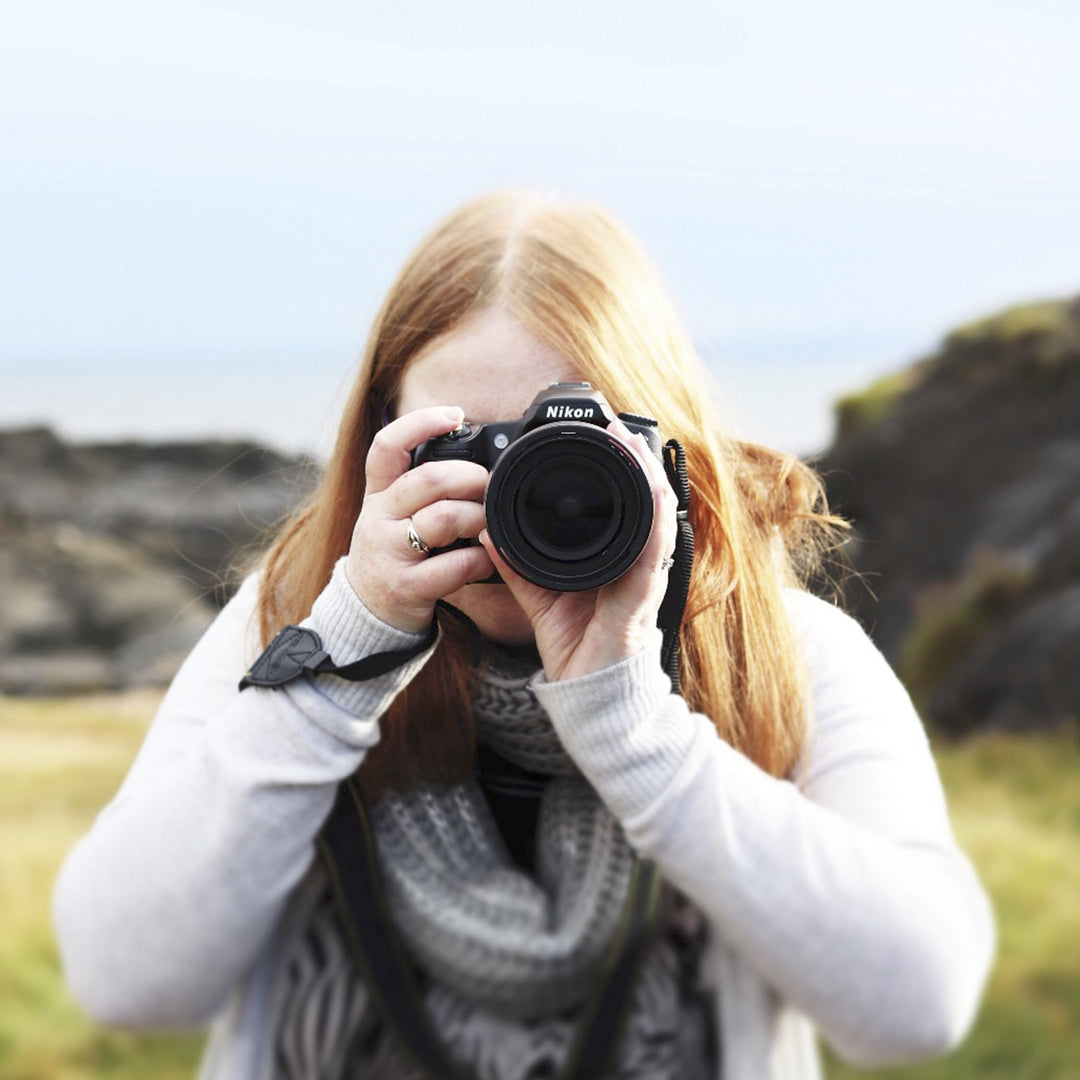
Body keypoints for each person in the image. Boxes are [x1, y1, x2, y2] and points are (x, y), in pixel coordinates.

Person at [53, 190, 995, 1080]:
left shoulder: (778, 649)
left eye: (568, 452)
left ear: (663, 447)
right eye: (468, 452)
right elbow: (128, 982)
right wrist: (346, 653)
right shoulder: (297, 622)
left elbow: (917, 1007)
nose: (518, 503)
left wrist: (634, 723)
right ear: (382, 441)